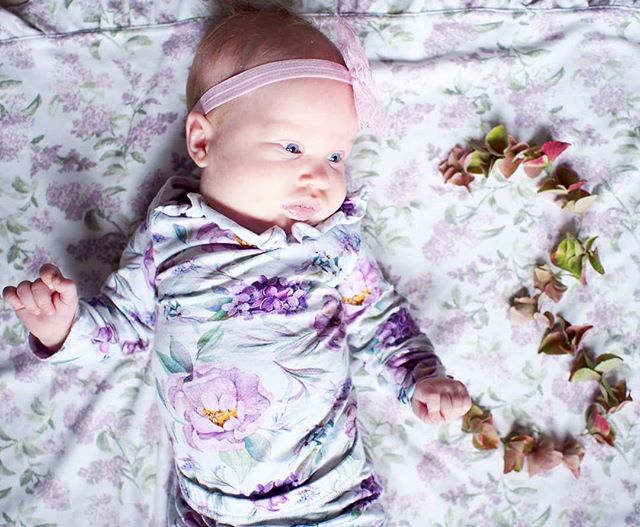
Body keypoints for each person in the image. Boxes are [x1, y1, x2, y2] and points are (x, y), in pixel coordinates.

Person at [2, 5, 471, 526]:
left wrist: (421, 378)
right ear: (203, 141)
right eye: (292, 146)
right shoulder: (170, 238)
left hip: (331, 499)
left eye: (336, 156)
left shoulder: (330, 242)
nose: (320, 177)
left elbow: (379, 320)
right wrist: (63, 328)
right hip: (211, 510)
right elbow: (125, 326)